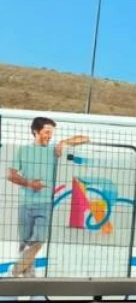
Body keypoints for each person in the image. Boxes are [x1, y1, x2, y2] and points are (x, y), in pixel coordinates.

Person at [7, 117, 89, 277]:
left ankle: (14, 272)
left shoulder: (54, 149)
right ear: (35, 132)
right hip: (25, 203)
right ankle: (28, 282)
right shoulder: (23, 150)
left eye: (51, 132)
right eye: (46, 132)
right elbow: (10, 175)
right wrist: (30, 184)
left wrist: (64, 142)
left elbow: (86, 139)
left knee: (39, 240)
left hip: (45, 203)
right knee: (25, 244)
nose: (49, 135)